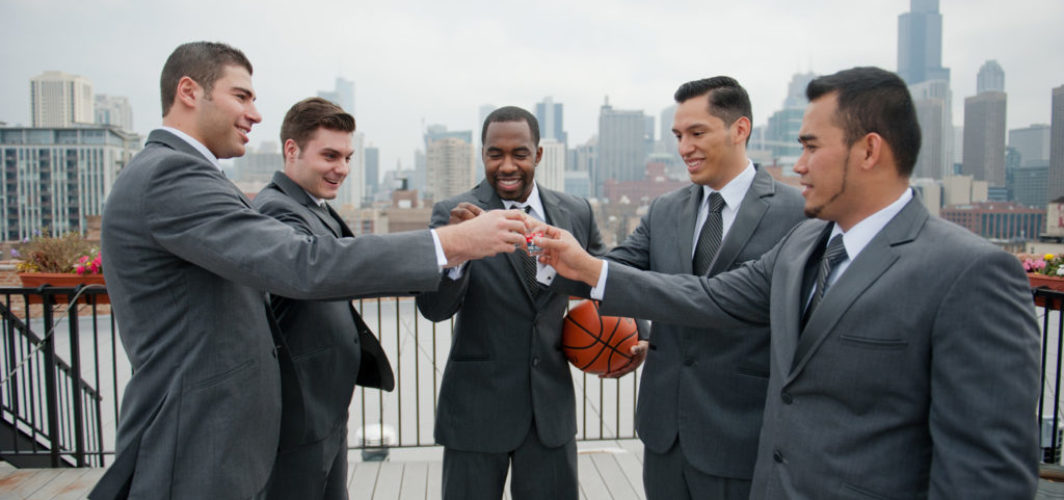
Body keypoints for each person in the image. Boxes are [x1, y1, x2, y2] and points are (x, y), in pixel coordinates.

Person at [534, 66, 1040, 499]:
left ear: (869, 151)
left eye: (811, 146)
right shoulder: (803, 248)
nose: (797, 165)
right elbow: (710, 298)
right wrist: (583, 266)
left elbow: (987, 472)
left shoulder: (971, 273)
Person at [90, 42, 528, 500]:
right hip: (198, 442)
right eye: (242, 96)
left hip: (229, 436)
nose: (255, 113)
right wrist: (451, 243)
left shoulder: (191, 177)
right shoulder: (170, 176)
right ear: (188, 91)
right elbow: (304, 263)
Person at [553, 76, 805, 500]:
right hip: (664, 431)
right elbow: (621, 273)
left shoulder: (796, 212)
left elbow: (725, 302)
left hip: (741, 430)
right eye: (677, 135)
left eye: (696, 133)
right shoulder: (666, 209)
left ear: (739, 129)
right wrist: (532, 248)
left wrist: (593, 268)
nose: (684, 146)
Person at [415, 106, 606, 500]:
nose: (506, 165)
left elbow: (610, 282)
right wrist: (458, 251)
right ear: (482, 154)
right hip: (475, 411)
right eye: (494, 154)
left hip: (550, 413)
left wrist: (637, 334)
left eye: (519, 153)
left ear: (538, 155)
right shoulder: (454, 215)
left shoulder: (576, 212)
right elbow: (434, 310)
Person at [251, 97, 393, 499]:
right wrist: (442, 247)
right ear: (291, 150)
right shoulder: (277, 212)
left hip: (326, 409)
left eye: (347, 157)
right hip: (299, 417)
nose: (342, 169)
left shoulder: (316, 206)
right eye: (330, 155)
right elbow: (331, 267)